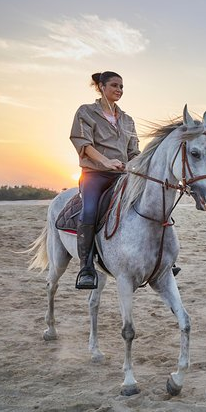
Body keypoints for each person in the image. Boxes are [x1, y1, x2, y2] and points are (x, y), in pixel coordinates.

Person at [69, 71, 140, 289]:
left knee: (149, 202)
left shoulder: (127, 120)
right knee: (89, 210)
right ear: (101, 86)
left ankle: (162, 257)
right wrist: (106, 162)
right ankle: (86, 267)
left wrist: (132, 165)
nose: (119, 90)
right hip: (94, 174)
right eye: (114, 85)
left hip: (123, 175)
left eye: (122, 86)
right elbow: (83, 143)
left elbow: (134, 151)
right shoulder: (86, 112)